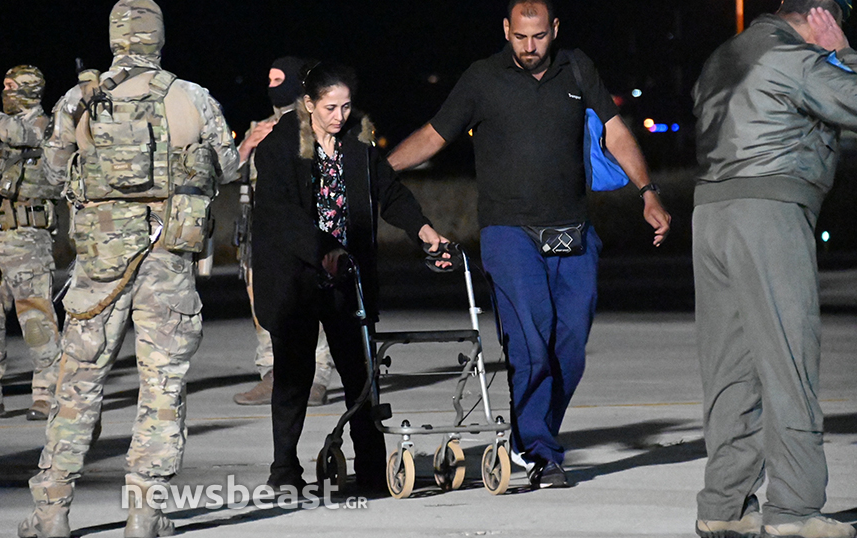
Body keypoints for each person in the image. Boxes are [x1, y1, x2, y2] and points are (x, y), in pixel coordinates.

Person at [388, 0, 671, 488]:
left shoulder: (577, 68)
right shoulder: (482, 77)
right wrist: (378, 170)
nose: (529, 46)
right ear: (506, 29)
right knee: (531, 347)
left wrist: (647, 192)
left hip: (573, 232)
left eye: (538, 36)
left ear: (554, 29)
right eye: (520, 36)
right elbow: (434, 136)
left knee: (570, 351)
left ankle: (527, 436)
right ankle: (540, 450)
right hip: (509, 232)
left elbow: (616, 132)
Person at [18, 2, 238, 537]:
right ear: (158, 38)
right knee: (162, 385)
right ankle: (145, 513)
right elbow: (228, 166)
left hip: (100, 265)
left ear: (115, 38)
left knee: (79, 384)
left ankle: (51, 513)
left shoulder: (79, 99)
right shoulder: (191, 96)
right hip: (168, 259)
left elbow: (51, 175)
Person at [692, 1, 857, 537]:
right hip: (767, 213)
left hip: (710, 215)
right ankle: (795, 510)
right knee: (789, 360)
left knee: (731, 370)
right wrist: (844, 54)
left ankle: (725, 505)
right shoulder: (793, 57)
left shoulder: (723, 57)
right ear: (821, 15)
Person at [252, 62, 449, 492]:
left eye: (345, 107)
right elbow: (279, 214)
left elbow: (389, 192)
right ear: (309, 104)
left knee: (361, 374)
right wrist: (322, 249)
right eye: (330, 107)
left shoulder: (358, 144)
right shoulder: (280, 146)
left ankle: (372, 469)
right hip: (296, 277)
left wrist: (423, 229)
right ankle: (284, 469)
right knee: (293, 376)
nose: (339, 116)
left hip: (347, 277)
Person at [232, 57, 336, 408]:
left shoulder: (316, 125)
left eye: (279, 80)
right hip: (263, 232)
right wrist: (247, 146)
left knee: (311, 302)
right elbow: (227, 172)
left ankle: (316, 378)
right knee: (265, 304)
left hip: (305, 228)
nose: (271, 87)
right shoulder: (260, 127)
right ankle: (273, 373)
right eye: (269, 79)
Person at [0, 65, 63, 421]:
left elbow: (20, 133)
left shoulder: (45, 126)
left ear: (30, 90)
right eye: (4, 86)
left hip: (27, 239)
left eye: (12, 86)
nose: (6, 91)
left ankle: (46, 394)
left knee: (35, 320)